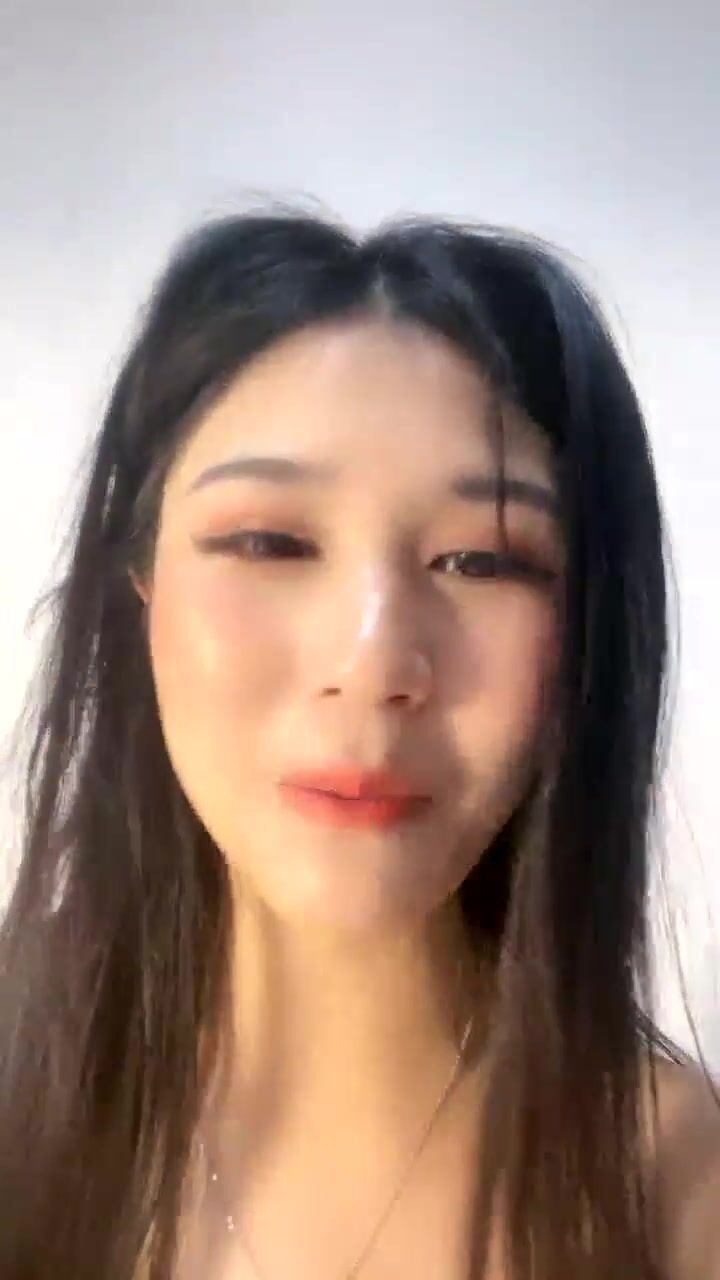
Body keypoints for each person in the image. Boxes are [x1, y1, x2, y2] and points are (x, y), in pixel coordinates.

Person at [1, 207, 718, 1280]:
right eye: (270, 541)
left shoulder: (674, 1185)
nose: (375, 660)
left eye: (482, 560)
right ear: (139, 580)